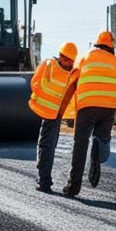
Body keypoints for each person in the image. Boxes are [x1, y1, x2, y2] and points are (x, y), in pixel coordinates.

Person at [62, 31, 116, 197]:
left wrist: (65, 112)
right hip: (108, 108)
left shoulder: (83, 59)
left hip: (86, 107)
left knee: (80, 144)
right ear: (111, 47)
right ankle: (98, 149)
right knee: (103, 139)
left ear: (96, 44)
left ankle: (73, 186)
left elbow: (71, 85)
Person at [28, 41, 79, 193]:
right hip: (49, 113)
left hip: (57, 114)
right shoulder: (48, 64)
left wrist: (70, 115)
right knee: (47, 146)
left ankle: (44, 180)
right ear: (60, 55)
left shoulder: (74, 73)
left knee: (47, 146)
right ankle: (44, 181)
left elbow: (72, 94)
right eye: (63, 57)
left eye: (68, 59)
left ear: (73, 60)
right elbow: (35, 83)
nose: (65, 61)